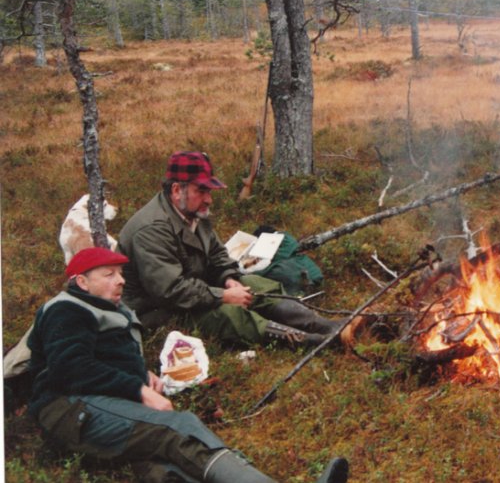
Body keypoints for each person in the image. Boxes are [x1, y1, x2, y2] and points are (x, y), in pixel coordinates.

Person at [27, 247, 349, 483]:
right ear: (82, 282)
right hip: (69, 408)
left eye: (121, 273)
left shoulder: (106, 308)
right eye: (109, 274)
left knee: (161, 468)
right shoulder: (66, 310)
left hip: (91, 408)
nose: (121, 281)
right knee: (179, 429)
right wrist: (137, 389)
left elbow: (101, 358)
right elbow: (71, 368)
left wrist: (142, 374)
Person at [118, 151, 341, 347]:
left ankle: (325, 325)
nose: (209, 199)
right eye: (202, 190)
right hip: (159, 311)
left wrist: (229, 277)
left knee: (255, 285)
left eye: (209, 191)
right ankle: (316, 341)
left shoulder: (193, 211)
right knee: (229, 314)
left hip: (197, 288)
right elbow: (170, 291)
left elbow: (216, 253)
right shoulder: (151, 230)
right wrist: (223, 296)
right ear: (177, 190)